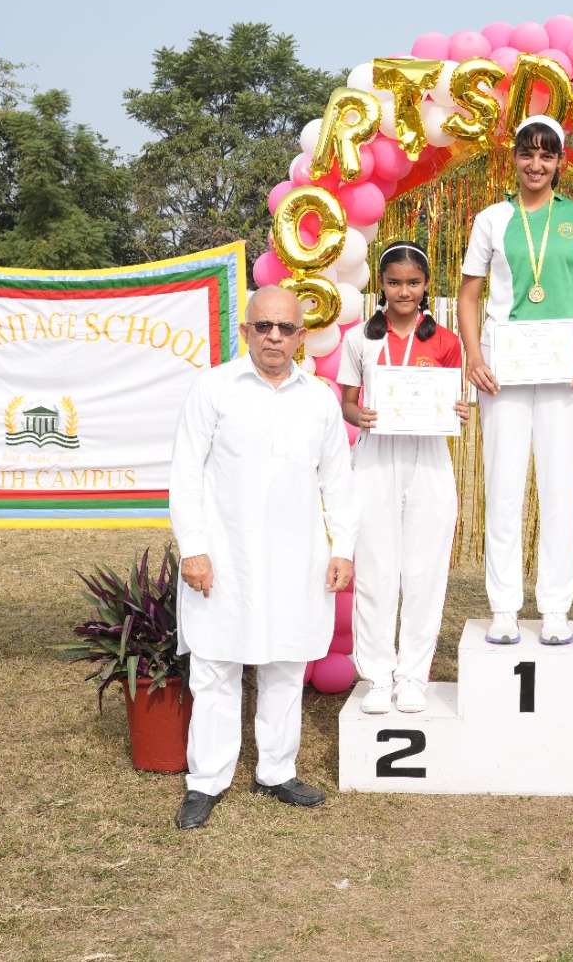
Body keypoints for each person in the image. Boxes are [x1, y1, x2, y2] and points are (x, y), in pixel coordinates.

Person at [168, 285, 358, 828]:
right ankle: (206, 781)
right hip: (224, 556)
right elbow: (184, 473)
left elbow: (339, 481)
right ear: (247, 330)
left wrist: (342, 546)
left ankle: (276, 770)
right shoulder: (214, 388)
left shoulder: (318, 397)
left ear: (302, 335)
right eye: (264, 326)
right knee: (216, 666)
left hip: (297, 555)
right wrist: (194, 550)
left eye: (286, 328)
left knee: (285, 663)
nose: (275, 336)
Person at [458, 114, 573, 646]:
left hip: (565, 375)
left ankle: (554, 608)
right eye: (528, 154)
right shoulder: (492, 218)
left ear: (560, 163)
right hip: (504, 373)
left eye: (547, 155)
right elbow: (468, 296)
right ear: (515, 158)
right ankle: (504, 607)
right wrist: (475, 358)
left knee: (559, 490)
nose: (536, 164)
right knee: (503, 490)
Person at [339, 241, 470, 715]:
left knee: (424, 571)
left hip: (429, 457)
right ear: (381, 284)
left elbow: (454, 403)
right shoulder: (359, 339)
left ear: (426, 285)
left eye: (413, 282)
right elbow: (348, 402)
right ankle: (376, 675)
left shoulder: (446, 340)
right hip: (375, 457)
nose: (403, 291)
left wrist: (459, 411)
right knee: (375, 569)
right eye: (394, 282)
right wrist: (361, 415)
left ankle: (413, 675)